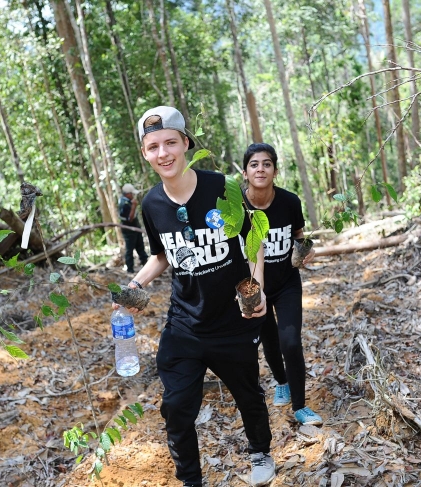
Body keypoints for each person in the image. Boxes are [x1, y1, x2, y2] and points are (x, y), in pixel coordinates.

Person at [115, 106, 276, 487]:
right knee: (175, 408)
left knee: (248, 394)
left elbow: (253, 240)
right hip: (185, 324)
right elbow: (160, 256)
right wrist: (134, 287)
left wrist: (258, 288)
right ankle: (191, 480)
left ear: (186, 143)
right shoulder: (153, 204)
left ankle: (260, 453)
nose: (163, 153)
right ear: (145, 153)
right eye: (153, 146)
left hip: (233, 321)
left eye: (170, 142)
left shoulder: (223, 187)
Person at [242, 142, 323, 426]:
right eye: (254, 164)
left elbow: (299, 235)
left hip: (287, 282)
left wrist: (306, 249)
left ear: (275, 170)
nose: (260, 169)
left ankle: (300, 406)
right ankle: (281, 382)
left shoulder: (289, 202)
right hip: (254, 286)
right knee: (269, 340)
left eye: (266, 164)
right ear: (245, 171)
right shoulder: (238, 206)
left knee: (290, 342)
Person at [119, 183, 149, 273]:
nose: (133, 195)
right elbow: (129, 219)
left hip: (135, 228)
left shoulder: (127, 201)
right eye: (132, 194)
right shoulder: (124, 203)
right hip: (129, 230)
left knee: (140, 246)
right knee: (130, 249)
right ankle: (130, 269)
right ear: (128, 194)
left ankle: (145, 264)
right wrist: (133, 207)